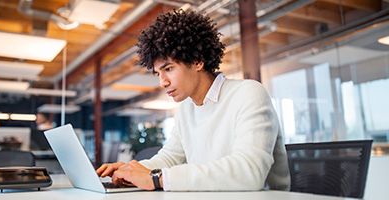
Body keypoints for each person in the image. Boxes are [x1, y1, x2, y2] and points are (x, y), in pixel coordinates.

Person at [96, 10, 290, 191]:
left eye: (169, 69)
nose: (162, 82)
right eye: (158, 73)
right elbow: (170, 159)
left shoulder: (248, 93)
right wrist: (130, 170)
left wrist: (157, 179)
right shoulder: (187, 109)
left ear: (197, 61)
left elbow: (249, 171)